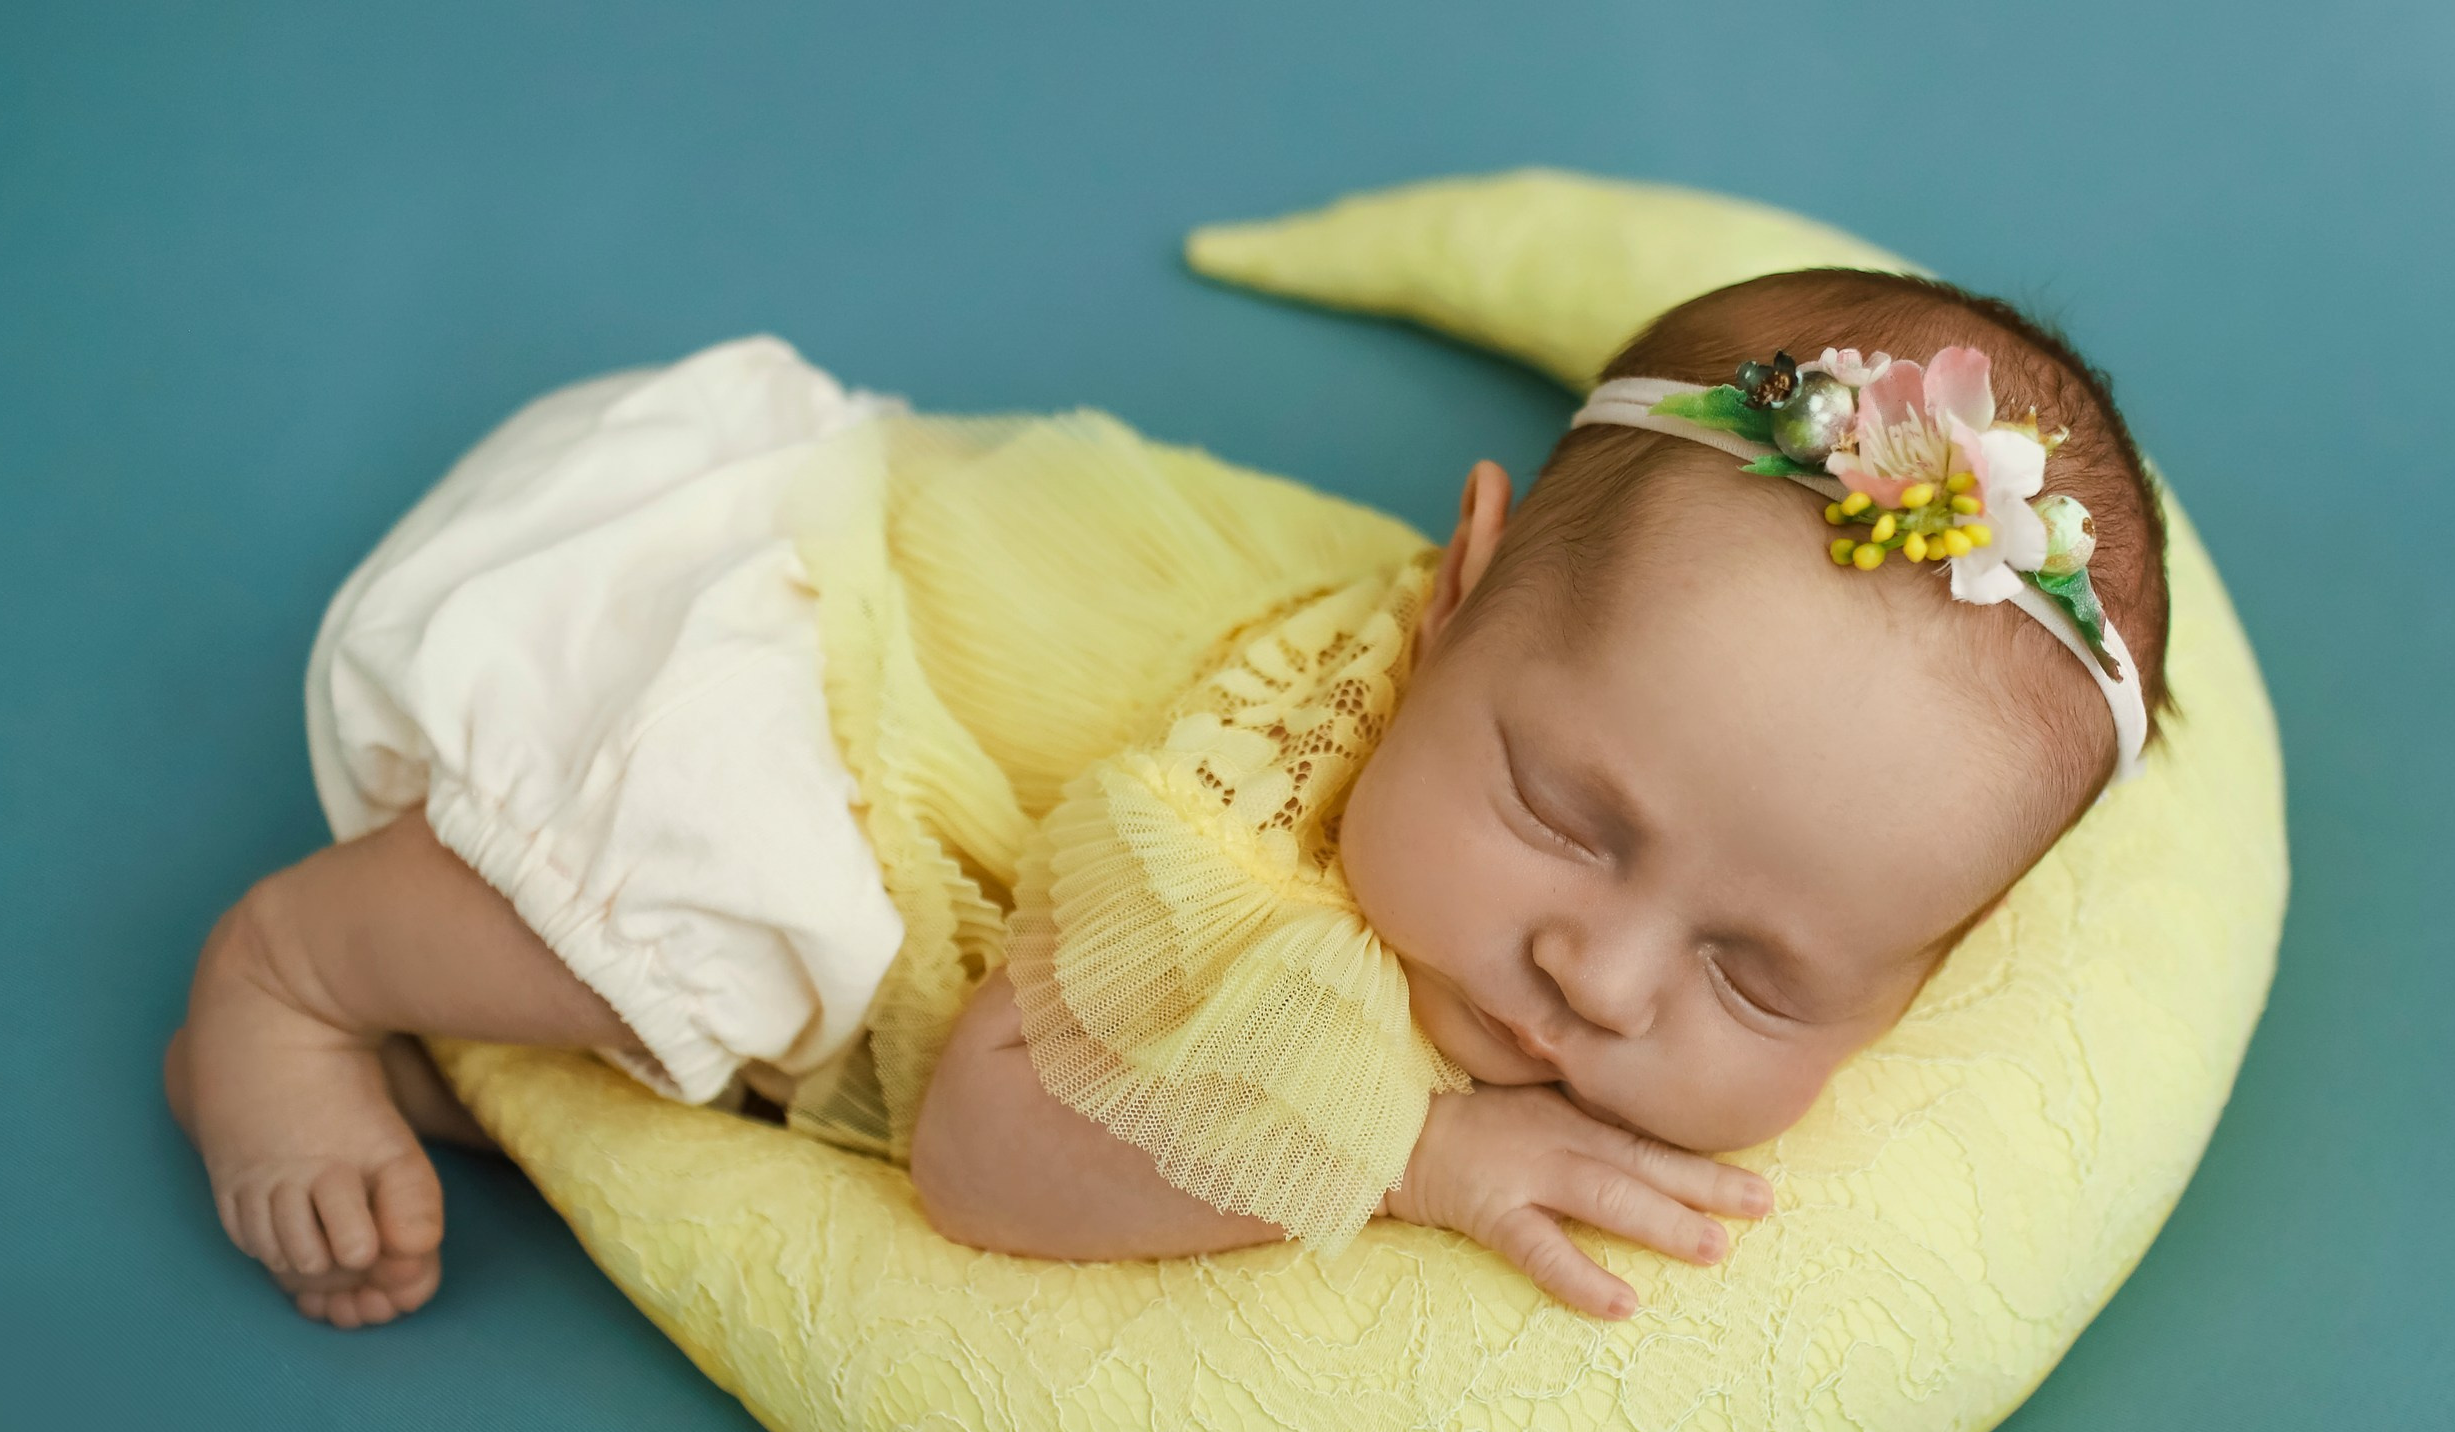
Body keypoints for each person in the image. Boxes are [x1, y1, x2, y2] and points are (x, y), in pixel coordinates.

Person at [165, 268, 2168, 1330]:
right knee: (747, 900)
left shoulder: (1606, 729)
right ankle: (299, 969)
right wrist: (1404, 1147)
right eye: (1565, 811)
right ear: (1453, 593)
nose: (1598, 968)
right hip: (776, 632)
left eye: (1755, 970)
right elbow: (988, 1143)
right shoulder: (1261, 807)